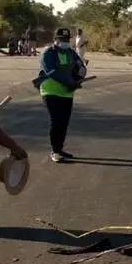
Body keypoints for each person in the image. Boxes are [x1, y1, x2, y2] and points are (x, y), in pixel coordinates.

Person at [34, 28, 87, 163]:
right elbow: (51, 71)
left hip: (67, 93)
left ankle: (59, 148)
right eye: (61, 39)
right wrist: (68, 82)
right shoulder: (48, 53)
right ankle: (55, 151)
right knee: (56, 121)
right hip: (50, 91)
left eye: (66, 40)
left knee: (64, 122)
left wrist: (79, 77)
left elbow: (80, 66)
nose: (64, 42)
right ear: (55, 40)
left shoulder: (71, 52)